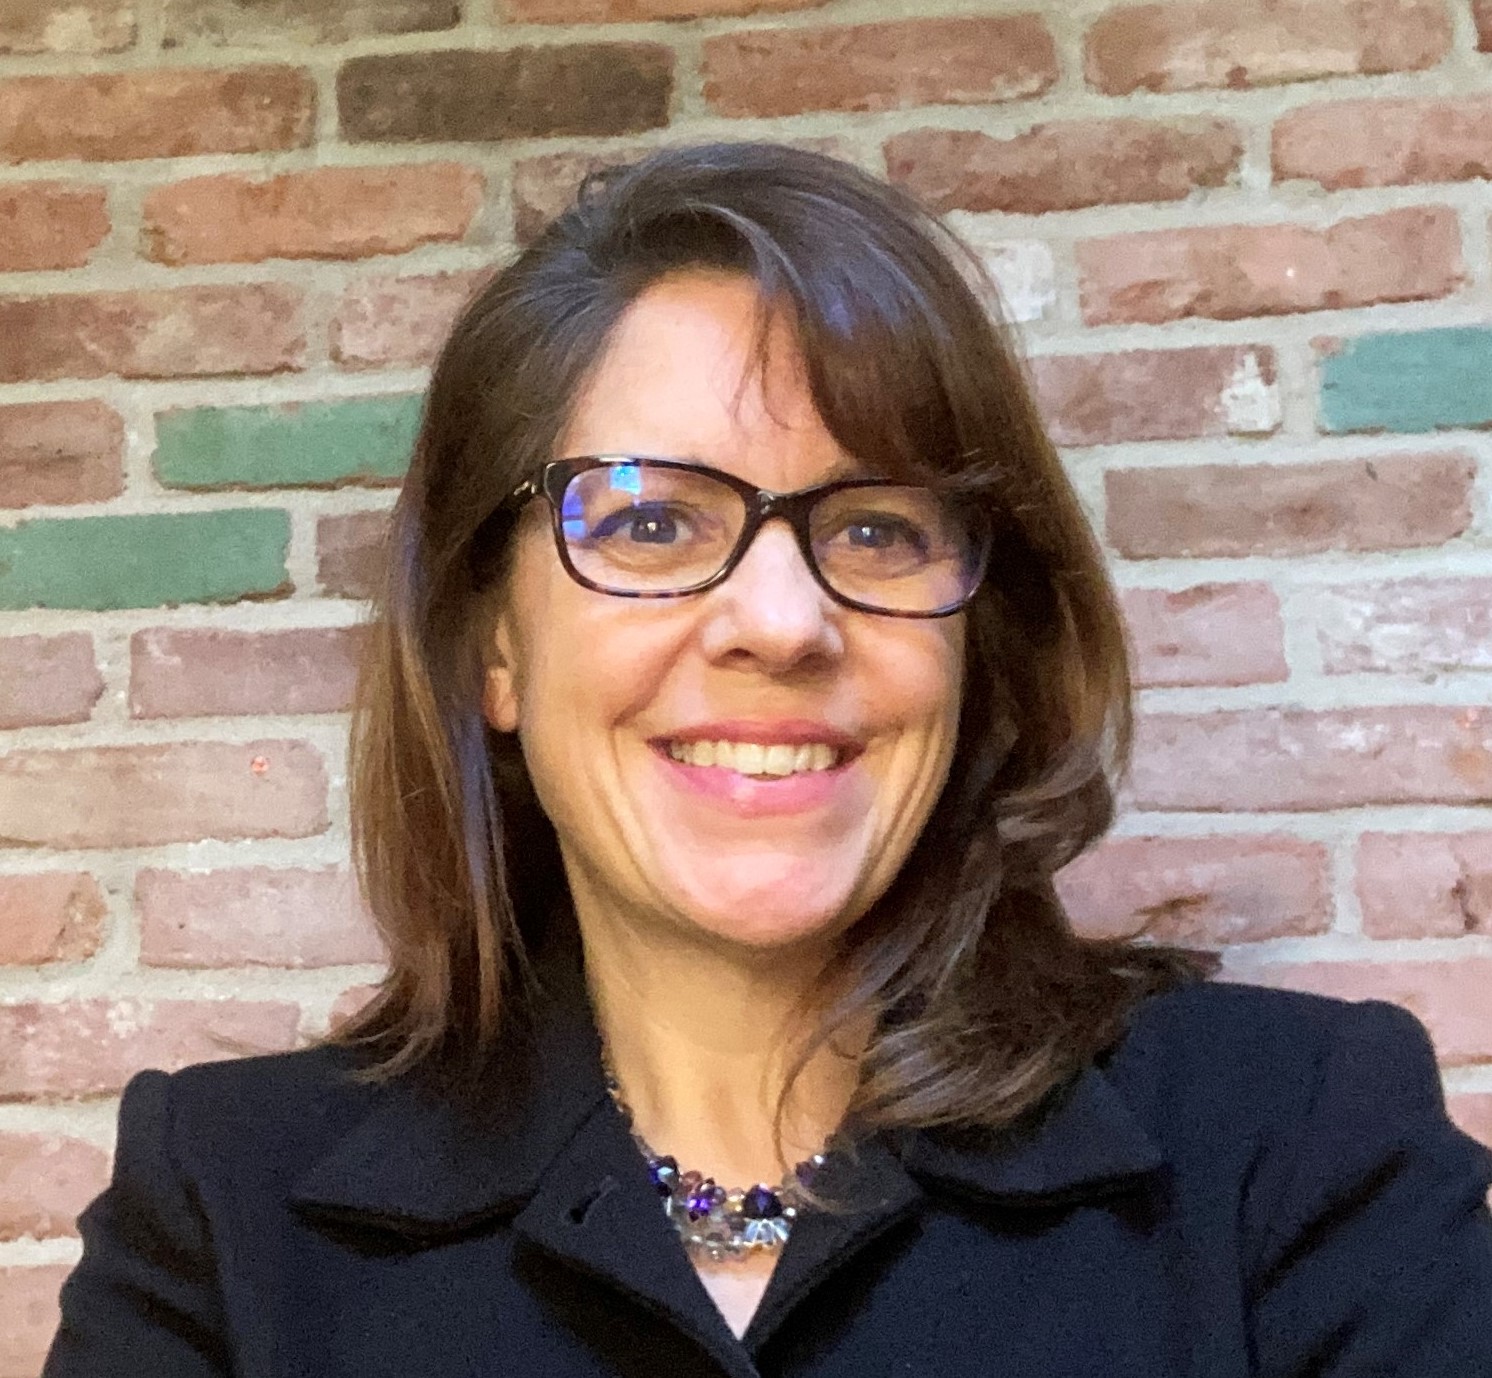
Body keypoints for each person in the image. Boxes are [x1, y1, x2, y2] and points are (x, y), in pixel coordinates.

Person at [44, 143, 1492, 1377]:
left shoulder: (1294, 1145)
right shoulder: (227, 1209)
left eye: (877, 527)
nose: (785, 621)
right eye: (651, 521)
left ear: (978, 630)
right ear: (492, 646)